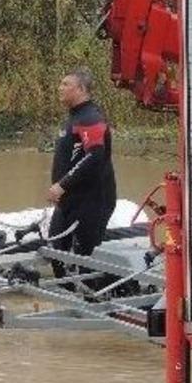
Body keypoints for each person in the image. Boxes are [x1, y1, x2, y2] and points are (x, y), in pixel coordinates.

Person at [47, 68, 117, 266]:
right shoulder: (74, 117)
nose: (60, 88)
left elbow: (95, 156)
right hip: (70, 200)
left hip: (91, 201)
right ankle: (66, 291)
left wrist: (62, 185)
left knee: (84, 260)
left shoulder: (90, 118)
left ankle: (91, 295)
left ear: (81, 89)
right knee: (56, 249)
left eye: (65, 84)